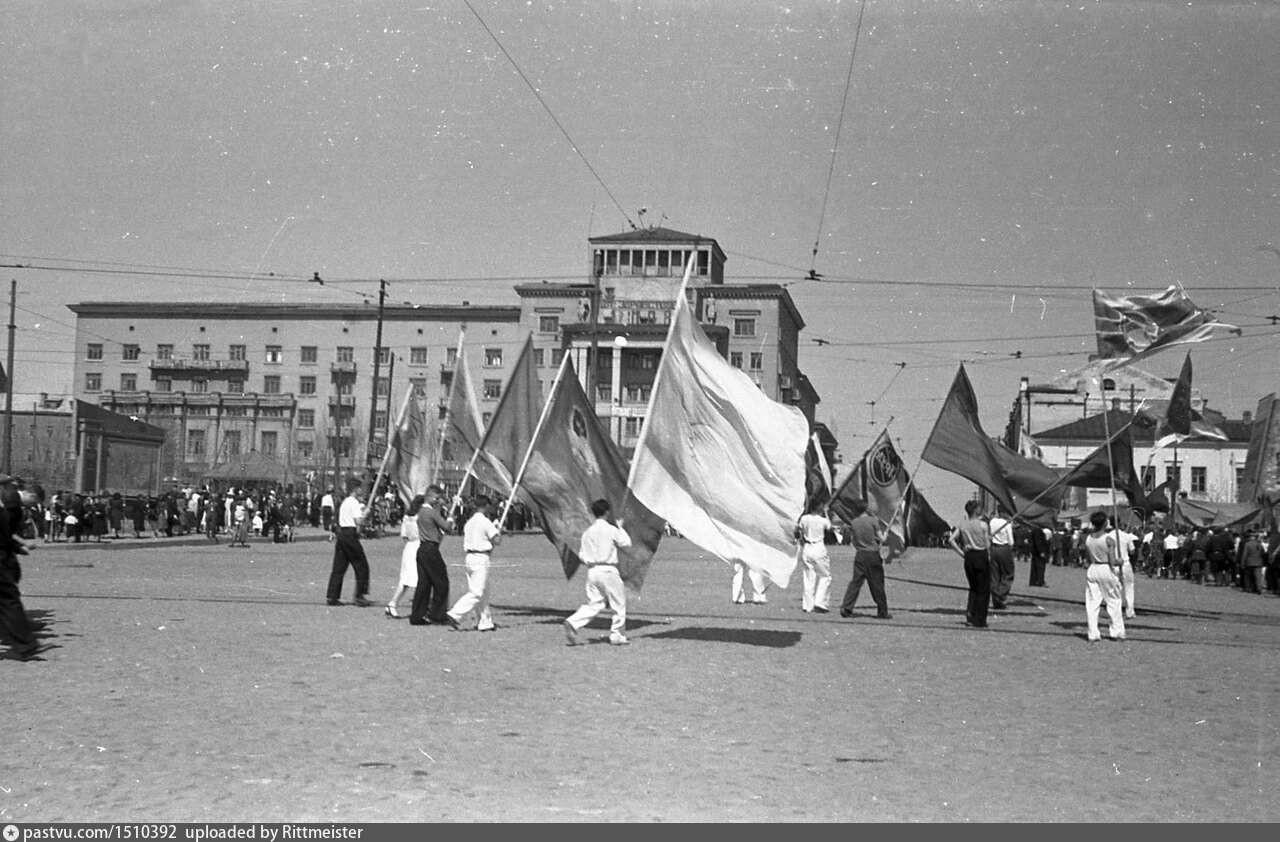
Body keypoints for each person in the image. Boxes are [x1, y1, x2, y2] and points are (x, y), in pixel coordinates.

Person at [564, 498, 633, 646]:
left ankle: (573, 622)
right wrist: (621, 527)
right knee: (619, 604)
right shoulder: (611, 529)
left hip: (592, 571)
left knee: (595, 604)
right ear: (607, 512)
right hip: (608, 570)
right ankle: (617, 635)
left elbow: (582, 556)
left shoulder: (587, 533)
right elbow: (626, 544)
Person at [0, 476, 45, 660]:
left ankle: (22, 640)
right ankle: (25, 642)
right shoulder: (11, 503)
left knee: (7, 598)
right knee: (8, 598)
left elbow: (6, 534)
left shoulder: (6, 504)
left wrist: (20, 544)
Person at [445, 494, 503, 632]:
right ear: (486, 506)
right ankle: (455, 613)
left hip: (469, 557)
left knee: (483, 592)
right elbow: (497, 541)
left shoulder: (469, 522)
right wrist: (499, 531)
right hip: (480, 557)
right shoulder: (485, 521)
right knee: (477, 592)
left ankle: (485, 622)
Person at [409, 485, 454, 626]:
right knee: (441, 582)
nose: (438, 501)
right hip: (431, 549)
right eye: (437, 498)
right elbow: (446, 527)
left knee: (423, 584)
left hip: (422, 548)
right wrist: (451, 519)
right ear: (433, 497)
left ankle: (416, 616)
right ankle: (437, 614)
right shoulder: (431, 512)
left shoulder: (421, 512)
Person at [838, 498, 891, 620]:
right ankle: (882, 610)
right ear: (866, 508)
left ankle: (846, 607)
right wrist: (885, 536)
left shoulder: (854, 523)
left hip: (860, 555)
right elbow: (882, 539)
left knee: (855, 582)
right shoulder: (873, 521)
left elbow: (854, 541)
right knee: (877, 583)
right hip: (872, 554)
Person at [325, 479, 372, 607]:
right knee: (361, 565)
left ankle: (332, 596)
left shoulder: (345, 502)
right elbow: (358, 521)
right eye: (360, 488)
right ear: (356, 489)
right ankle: (359, 595)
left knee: (339, 567)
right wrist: (365, 514)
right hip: (350, 535)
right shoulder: (354, 502)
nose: (361, 490)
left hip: (342, 535)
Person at [947, 500, 991, 629]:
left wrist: (962, 553)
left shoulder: (963, 525)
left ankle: (970, 615)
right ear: (977, 510)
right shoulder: (983, 525)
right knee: (983, 589)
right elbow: (987, 545)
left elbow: (951, 540)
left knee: (973, 588)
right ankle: (979, 619)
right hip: (981, 555)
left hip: (969, 557)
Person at [1083, 510, 1126, 642]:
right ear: (1105, 523)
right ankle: (1116, 632)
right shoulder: (1108, 539)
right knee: (1113, 601)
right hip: (1106, 569)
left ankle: (1093, 634)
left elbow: (1087, 558)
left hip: (1093, 568)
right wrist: (1121, 561)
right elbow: (1113, 561)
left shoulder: (1089, 538)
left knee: (1092, 603)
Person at [385, 494, 425, 618]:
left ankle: (393, 604)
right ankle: (395, 604)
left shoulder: (407, 518)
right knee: (417, 578)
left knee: (407, 579)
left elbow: (404, 535)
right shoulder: (420, 518)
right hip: (417, 546)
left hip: (409, 547)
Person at [796, 499, 833, 613]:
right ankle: (820, 602)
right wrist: (826, 513)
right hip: (818, 547)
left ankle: (808, 605)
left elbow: (798, 529)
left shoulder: (804, 519)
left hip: (807, 547)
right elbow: (829, 527)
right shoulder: (822, 520)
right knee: (825, 576)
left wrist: (800, 539)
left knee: (808, 578)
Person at [987, 507, 1015, 610]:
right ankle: (1000, 594)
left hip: (994, 548)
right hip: (1004, 548)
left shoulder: (993, 521)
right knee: (1009, 573)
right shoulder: (1007, 523)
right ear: (1003, 512)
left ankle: (996, 601)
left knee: (995, 576)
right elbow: (1011, 541)